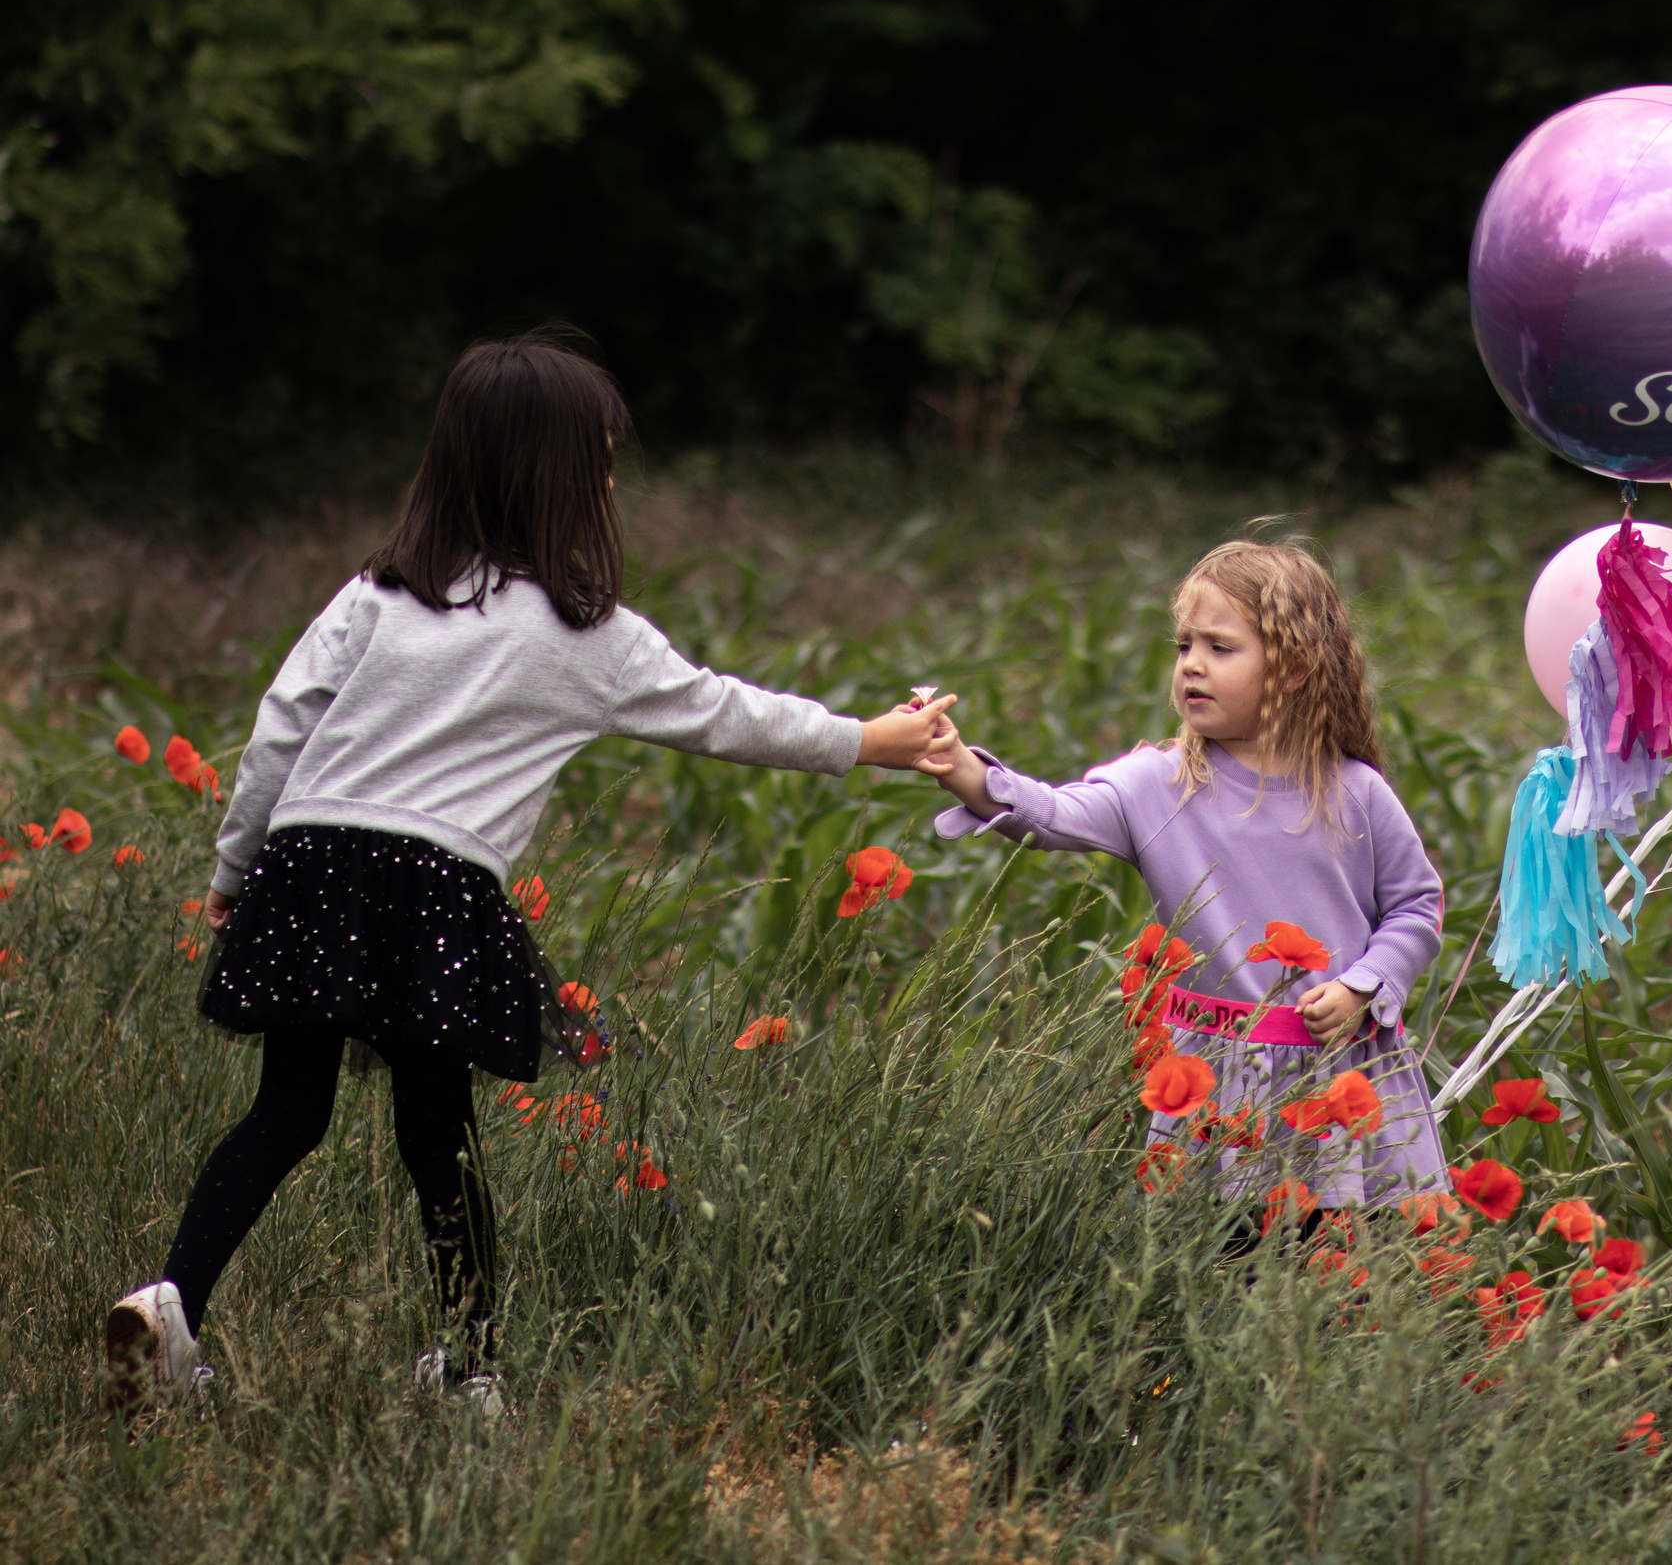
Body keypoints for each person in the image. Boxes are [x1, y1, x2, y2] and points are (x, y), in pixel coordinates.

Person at [105, 331, 960, 1414]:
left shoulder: (377, 593)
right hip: (435, 891)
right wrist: (870, 738)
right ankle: (471, 1375)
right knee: (438, 1135)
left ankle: (170, 1304)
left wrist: (241, 864)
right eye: (599, 460)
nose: (608, 481)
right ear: (555, 479)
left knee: (285, 1113)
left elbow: (283, 728)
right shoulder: (582, 633)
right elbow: (725, 713)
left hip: (311, 861)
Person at [930, 538, 1445, 1214]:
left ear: (1292, 668)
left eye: (1220, 648)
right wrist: (963, 769)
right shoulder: (1158, 782)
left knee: (1339, 1272)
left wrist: (1363, 986)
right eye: (1183, 646)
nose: (1192, 665)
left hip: (1336, 1075)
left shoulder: (1355, 792)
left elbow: (1416, 906)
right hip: (1217, 1087)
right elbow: (1051, 815)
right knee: (1221, 1265)